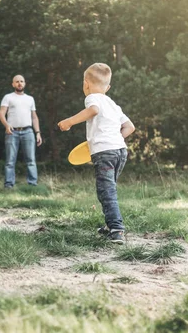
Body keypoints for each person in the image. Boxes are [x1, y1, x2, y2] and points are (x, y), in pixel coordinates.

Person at [57, 63, 135, 245]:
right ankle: (110, 227)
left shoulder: (93, 98)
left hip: (104, 153)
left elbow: (93, 110)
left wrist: (69, 122)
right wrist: (115, 138)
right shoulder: (114, 104)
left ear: (86, 84)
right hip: (120, 151)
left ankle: (116, 229)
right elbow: (130, 127)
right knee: (110, 190)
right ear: (107, 87)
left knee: (106, 192)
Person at [0, 75, 43, 188]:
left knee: (31, 160)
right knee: (10, 160)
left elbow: (34, 117)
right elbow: (1, 113)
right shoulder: (8, 97)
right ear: (13, 84)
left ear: (24, 83)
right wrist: (6, 125)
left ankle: (33, 185)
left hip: (28, 132)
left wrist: (38, 132)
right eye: (17, 81)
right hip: (12, 132)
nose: (19, 83)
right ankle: (8, 185)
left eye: (21, 81)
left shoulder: (30, 99)